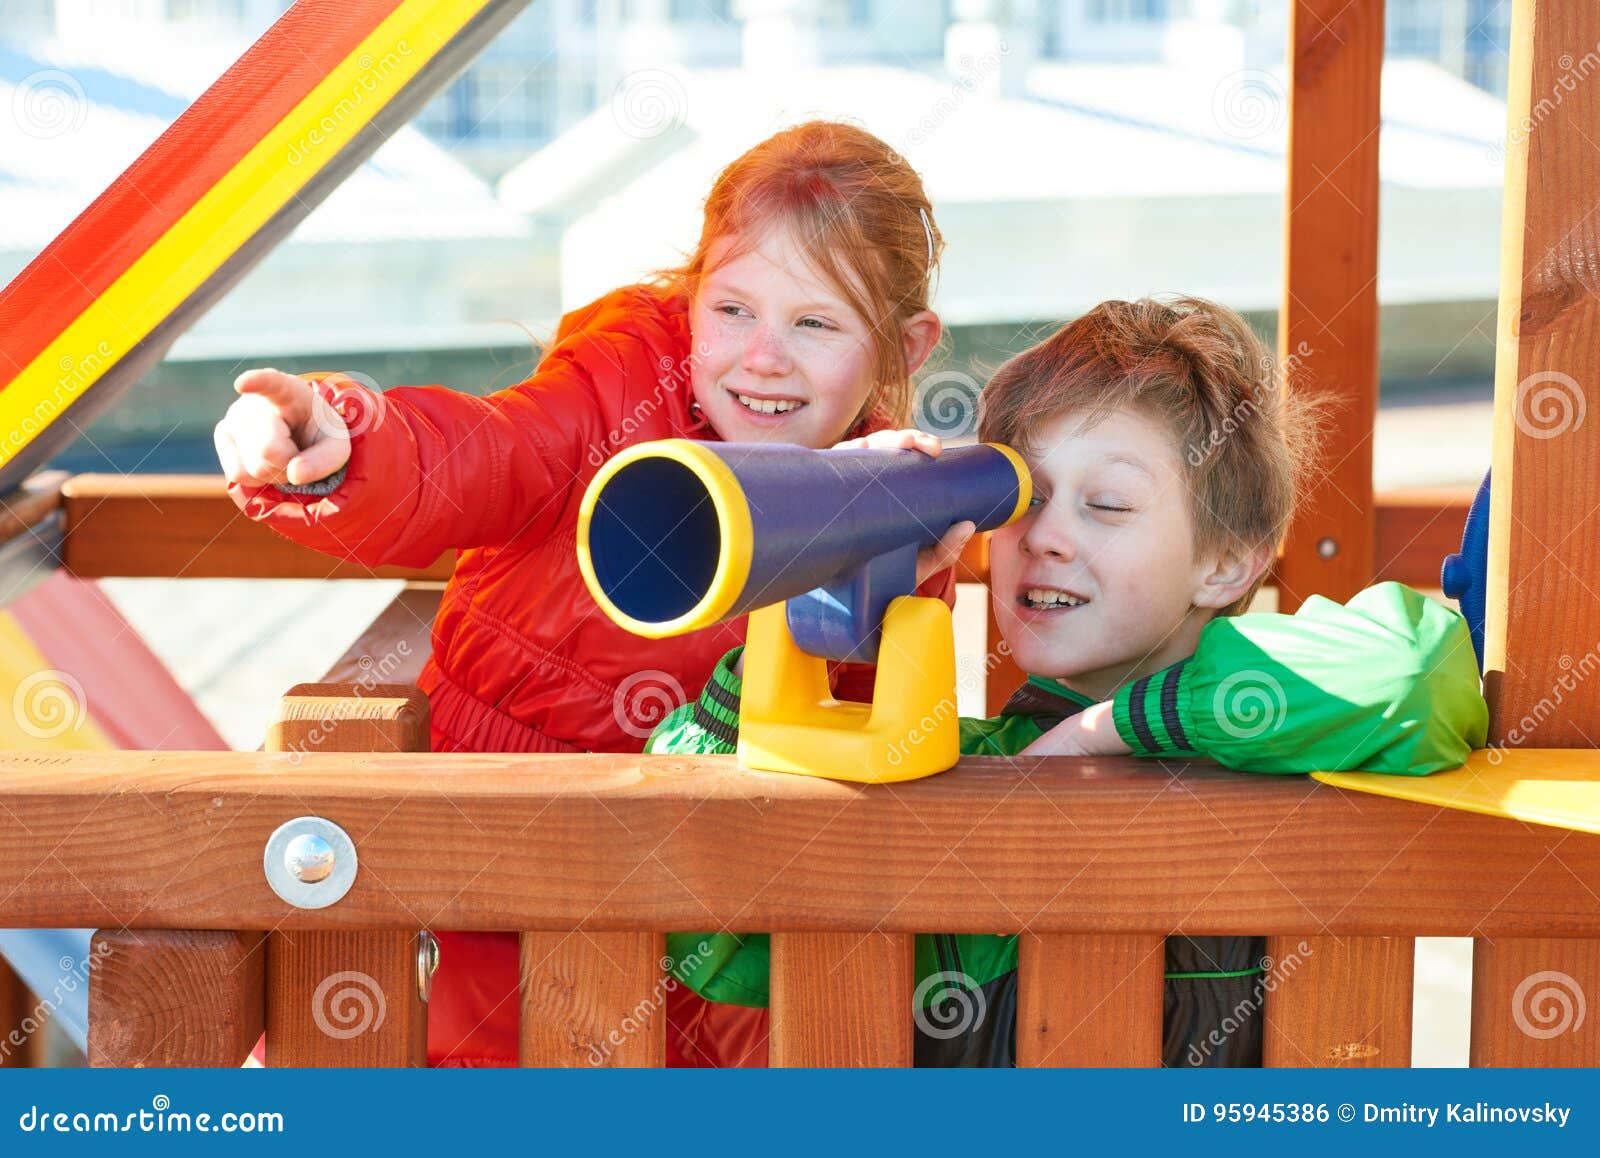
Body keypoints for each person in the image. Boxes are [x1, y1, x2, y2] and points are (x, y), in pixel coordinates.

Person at [214, 120, 972, 1067]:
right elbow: (481, 454)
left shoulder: (892, 499)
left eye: (815, 324)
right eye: (733, 309)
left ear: (905, 345)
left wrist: (869, 558)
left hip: (704, 920)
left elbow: (849, 767)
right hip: (487, 859)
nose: (763, 357)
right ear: (692, 299)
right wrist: (343, 443)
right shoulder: (616, 390)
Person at [647, 295, 1489, 1066]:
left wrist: (1109, 729)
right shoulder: (957, 767)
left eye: (1108, 505)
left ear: (1229, 561)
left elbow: (1412, 670)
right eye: (1023, 499)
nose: (1046, 537)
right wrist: (820, 574)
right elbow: (704, 916)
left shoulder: (1291, 730)